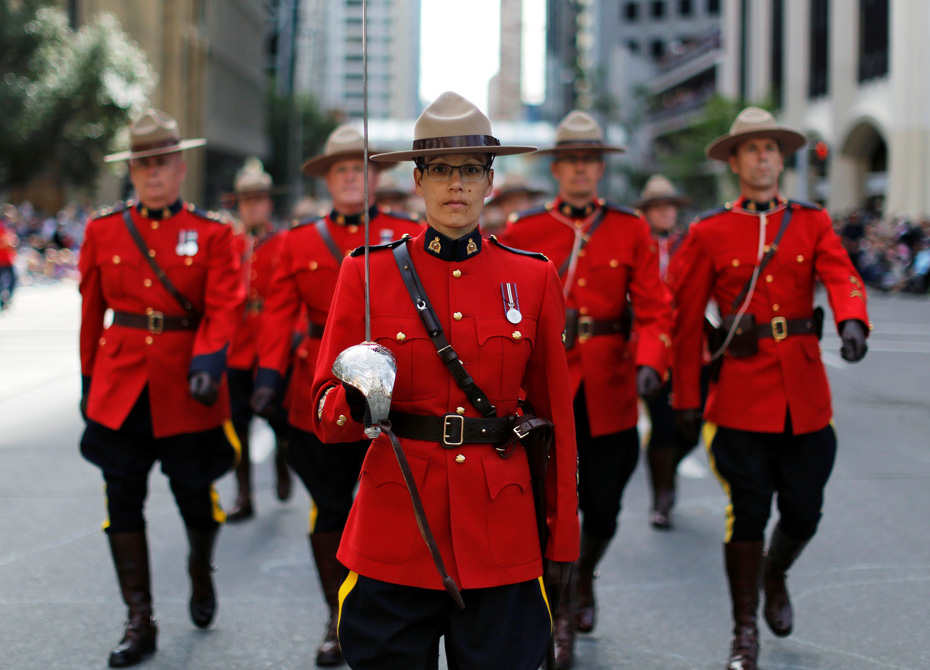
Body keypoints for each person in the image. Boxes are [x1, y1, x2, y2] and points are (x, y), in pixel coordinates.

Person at [309, 91, 579, 670]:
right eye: (440, 170)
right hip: (395, 525)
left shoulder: (532, 279)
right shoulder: (366, 271)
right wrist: (357, 397)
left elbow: (557, 421)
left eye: (469, 170)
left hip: (500, 532)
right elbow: (325, 416)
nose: (455, 184)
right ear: (418, 180)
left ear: (489, 182)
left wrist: (561, 541)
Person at [671, 107, 870, 670]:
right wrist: (686, 397)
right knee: (748, 514)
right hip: (739, 396)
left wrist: (853, 319)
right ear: (734, 161)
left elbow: (842, 275)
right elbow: (686, 321)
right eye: (752, 149)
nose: (763, 157)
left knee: (804, 511)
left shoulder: (811, 221)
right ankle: (743, 634)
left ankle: (775, 573)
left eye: (771, 149)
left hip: (806, 396)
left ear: (782, 160)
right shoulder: (709, 232)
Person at [501, 110, 673, 668]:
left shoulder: (630, 228)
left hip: (610, 385)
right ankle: (561, 606)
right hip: (545, 383)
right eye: (571, 159)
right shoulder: (525, 230)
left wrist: (651, 361)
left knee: (603, 508)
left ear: (600, 168)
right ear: (557, 168)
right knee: (548, 507)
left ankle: (586, 576)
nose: (580, 169)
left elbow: (653, 308)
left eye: (589, 160)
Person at [250, 124, 421, 667]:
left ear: (377, 176)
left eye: (362, 168)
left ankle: (386, 614)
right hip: (322, 396)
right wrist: (267, 378)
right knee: (329, 509)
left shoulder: (408, 232)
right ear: (327, 179)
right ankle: (337, 616)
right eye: (342, 169)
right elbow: (278, 315)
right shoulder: (297, 243)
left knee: (392, 511)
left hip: (397, 395)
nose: (353, 177)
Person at [78, 108, 243, 667]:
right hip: (120, 386)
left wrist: (209, 361)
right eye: (143, 163)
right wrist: (86, 380)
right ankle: (139, 617)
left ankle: (200, 566)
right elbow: (91, 314)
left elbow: (224, 307)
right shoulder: (103, 230)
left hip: (185, 385)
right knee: (121, 496)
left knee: (194, 494)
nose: (152, 172)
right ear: (132, 170)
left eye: (162, 162)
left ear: (179, 166)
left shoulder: (214, 233)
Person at [224, 158, 292, 521]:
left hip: (271, 342)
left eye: (259, 199)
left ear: (268, 203)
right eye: (246, 199)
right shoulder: (228, 244)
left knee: (279, 419)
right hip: (236, 345)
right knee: (237, 424)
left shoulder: (284, 243)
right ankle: (244, 494)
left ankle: (283, 459)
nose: (253, 205)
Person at [634, 174, 702, 530]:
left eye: (668, 205)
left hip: (692, 346)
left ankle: (669, 466)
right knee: (661, 422)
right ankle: (662, 496)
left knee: (694, 422)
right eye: (656, 206)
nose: (664, 211)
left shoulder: (691, 244)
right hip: (651, 348)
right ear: (646, 212)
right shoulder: (636, 244)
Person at [482, 173, 546, 234]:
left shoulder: (542, 232)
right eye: (509, 202)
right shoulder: (490, 237)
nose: (515, 206)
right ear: (500, 206)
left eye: (520, 201)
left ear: (530, 203)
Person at [0, 205, 18, 311]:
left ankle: (6, 300)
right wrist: (7, 242)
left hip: (9, 259)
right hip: (1, 259)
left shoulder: (9, 226)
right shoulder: (1, 226)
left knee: (13, 280)